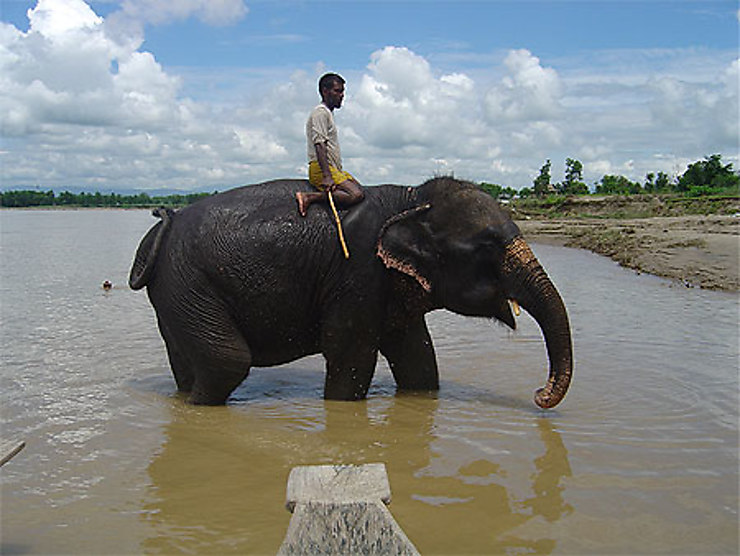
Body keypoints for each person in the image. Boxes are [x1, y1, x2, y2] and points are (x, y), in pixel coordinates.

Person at [296, 73, 364, 216]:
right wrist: (327, 176)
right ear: (325, 92)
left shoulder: (328, 114)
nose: (342, 95)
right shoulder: (320, 113)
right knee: (356, 194)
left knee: (361, 190)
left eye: (342, 91)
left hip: (334, 168)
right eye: (338, 91)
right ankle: (310, 197)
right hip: (321, 168)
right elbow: (319, 143)